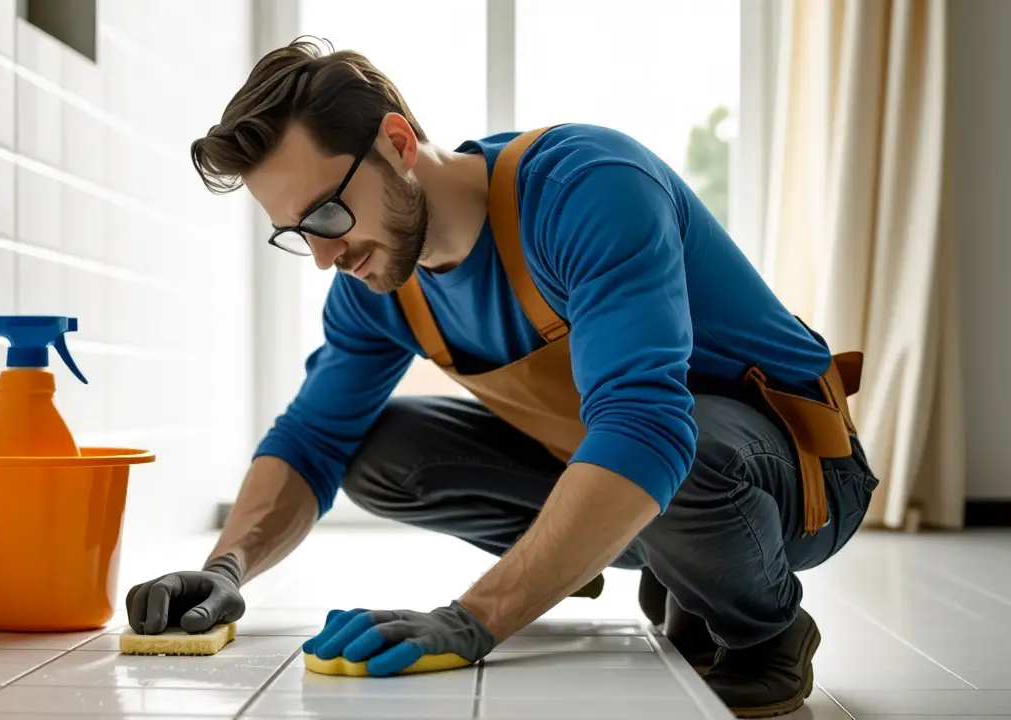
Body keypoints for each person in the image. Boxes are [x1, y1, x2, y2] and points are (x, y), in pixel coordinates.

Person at [125, 37, 879, 718]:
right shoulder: (379, 279)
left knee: (678, 444)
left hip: (802, 477)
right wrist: (225, 569)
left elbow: (648, 427)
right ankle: (675, 560)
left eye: (326, 216)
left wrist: (474, 618)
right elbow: (312, 439)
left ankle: (766, 630)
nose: (325, 256)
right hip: (658, 469)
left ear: (396, 142)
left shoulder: (585, 189)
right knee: (375, 448)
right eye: (298, 234)